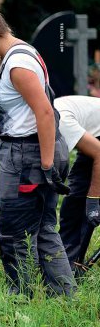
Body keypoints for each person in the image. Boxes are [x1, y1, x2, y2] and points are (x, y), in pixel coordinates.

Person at [0, 8, 76, 296]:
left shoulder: (18, 65)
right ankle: (65, 297)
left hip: (26, 156)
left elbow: (46, 113)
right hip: (31, 153)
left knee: (15, 235)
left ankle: (21, 299)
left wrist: (47, 164)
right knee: (45, 230)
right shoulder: (22, 54)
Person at [54, 95, 100, 275]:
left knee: (84, 203)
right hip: (94, 134)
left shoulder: (61, 122)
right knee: (75, 204)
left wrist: (94, 200)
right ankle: (68, 265)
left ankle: (70, 268)